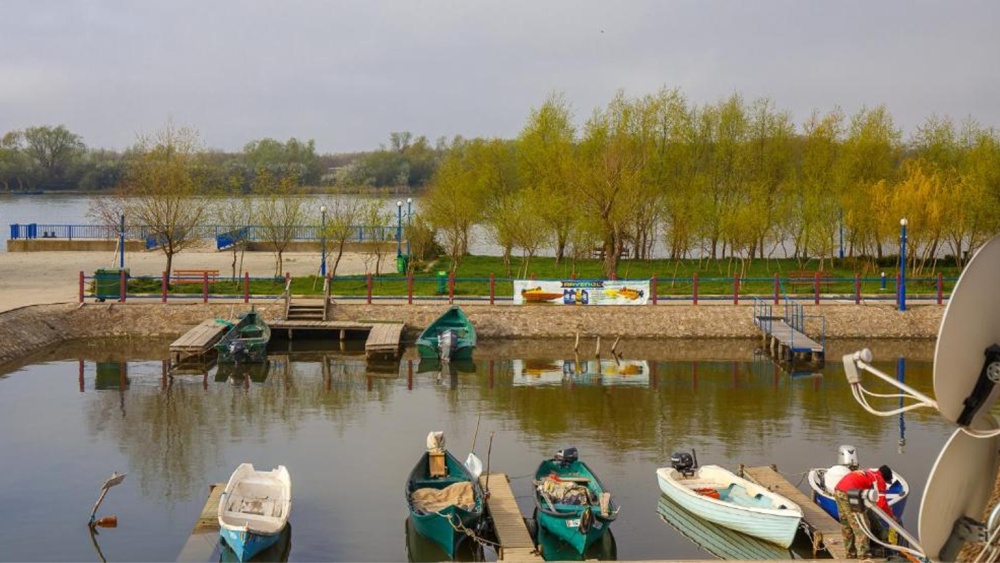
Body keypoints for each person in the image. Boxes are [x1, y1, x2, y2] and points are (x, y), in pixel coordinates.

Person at [834, 465, 893, 559]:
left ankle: (850, 553)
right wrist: (891, 517)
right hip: (849, 493)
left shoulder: (870, 473)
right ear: (886, 477)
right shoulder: (879, 479)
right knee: (861, 524)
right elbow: (882, 503)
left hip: (838, 489)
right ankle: (864, 555)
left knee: (846, 524)